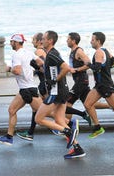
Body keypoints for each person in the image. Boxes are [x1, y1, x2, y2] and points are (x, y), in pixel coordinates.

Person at [34, 30, 85, 159]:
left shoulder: (52, 54)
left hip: (56, 93)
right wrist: (39, 68)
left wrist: (55, 80)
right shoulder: (50, 54)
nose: (41, 41)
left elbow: (66, 68)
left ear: (50, 40)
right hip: (61, 91)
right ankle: (78, 148)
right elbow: (52, 71)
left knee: (39, 119)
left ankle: (68, 131)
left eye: (44, 39)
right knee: (59, 120)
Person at [0, 34, 44, 145]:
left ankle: (68, 126)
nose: (10, 43)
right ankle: (9, 137)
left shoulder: (16, 55)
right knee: (12, 110)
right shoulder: (29, 52)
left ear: (16, 42)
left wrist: (9, 68)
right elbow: (41, 63)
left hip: (27, 89)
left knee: (44, 114)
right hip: (26, 88)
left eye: (11, 41)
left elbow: (17, 71)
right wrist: (32, 70)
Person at [65, 32, 110, 125]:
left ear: (73, 41)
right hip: (80, 81)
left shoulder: (78, 51)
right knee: (89, 103)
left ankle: (68, 126)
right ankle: (112, 106)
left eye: (68, 39)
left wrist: (77, 70)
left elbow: (88, 63)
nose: (66, 41)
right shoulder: (72, 51)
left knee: (66, 104)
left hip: (81, 82)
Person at [16, 32, 47, 141]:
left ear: (39, 41)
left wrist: (33, 66)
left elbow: (43, 67)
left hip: (45, 84)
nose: (32, 42)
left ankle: (67, 125)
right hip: (45, 83)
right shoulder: (44, 50)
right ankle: (30, 133)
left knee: (47, 109)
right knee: (37, 109)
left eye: (33, 40)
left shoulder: (38, 51)